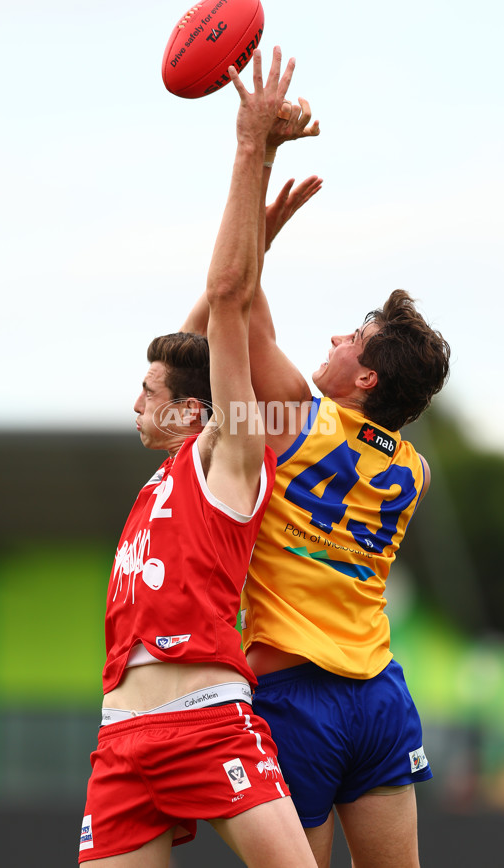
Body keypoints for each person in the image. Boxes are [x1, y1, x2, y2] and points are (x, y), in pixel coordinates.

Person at [184, 109, 451, 868]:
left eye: (352, 340)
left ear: (364, 378)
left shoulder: (299, 418)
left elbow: (231, 305)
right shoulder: (414, 471)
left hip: (297, 698)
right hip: (378, 697)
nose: (335, 336)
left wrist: (258, 164)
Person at [77, 48, 319, 868]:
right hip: (121, 741)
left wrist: (253, 152)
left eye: (148, 392)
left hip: (207, 719)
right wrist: (258, 240)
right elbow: (206, 313)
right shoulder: (166, 472)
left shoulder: (229, 451)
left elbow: (222, 304)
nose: (136, 403)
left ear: (190, 411)